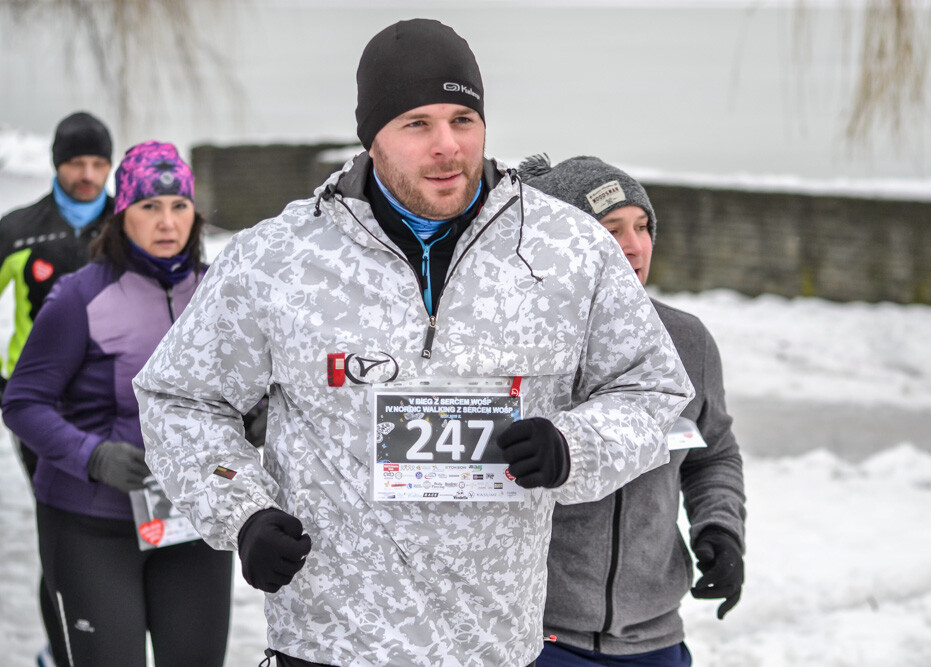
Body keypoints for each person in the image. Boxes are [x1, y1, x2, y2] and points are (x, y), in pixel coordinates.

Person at [133, 18, 695, 667]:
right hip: (330, 642)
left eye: (463, 118)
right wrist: (244, 511)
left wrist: (574, 444)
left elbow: (653, 389)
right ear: (372, 137)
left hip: (491, 644)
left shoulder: (569, 252)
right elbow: (180, 399)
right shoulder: (276, 260)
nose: (447, 146)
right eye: (417, 124)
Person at [2, 141, 233, 667]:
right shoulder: (78, 297)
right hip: (91, 524)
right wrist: (92, 456)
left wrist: (254, 416)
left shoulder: (217, 291)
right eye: (149, 206)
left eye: (179, 206)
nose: (167, 221)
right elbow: (22, 403)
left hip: (191, 520)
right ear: (122, 214)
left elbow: (246, 389)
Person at [519, 155, 747, 667]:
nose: (634, 245)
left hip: (655, 638)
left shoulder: (687, 342)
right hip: (537, 636)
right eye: (611, 228)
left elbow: (714, 454)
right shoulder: (523, 349)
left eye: (642, 226)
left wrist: (720, 529)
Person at [0, 109, 114, 667]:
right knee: (64, 521)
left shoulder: (131, 220)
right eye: (76, 162)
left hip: (116, 400)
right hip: (40, 406)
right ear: (56, 164)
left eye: (98, 162)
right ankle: (64, 645)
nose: (88, 174)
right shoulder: (18, 228)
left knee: (114, 520)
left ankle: (109, 627)